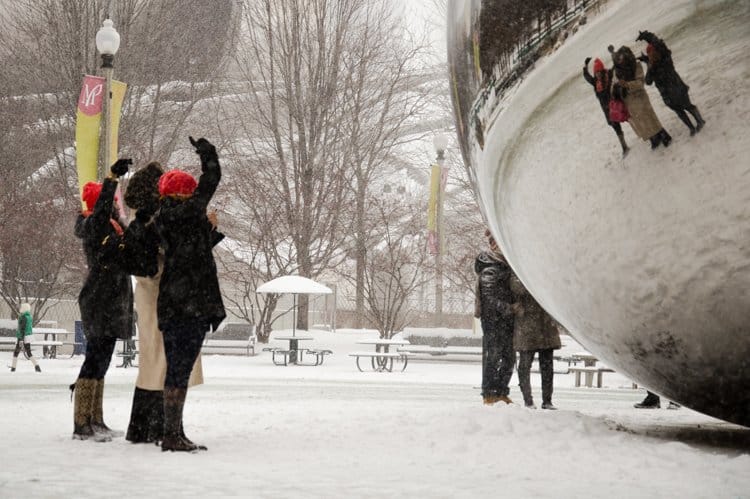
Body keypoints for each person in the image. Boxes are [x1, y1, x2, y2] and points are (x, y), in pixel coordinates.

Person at [123, 162, 208, 445]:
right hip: (163, 294)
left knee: (154, 359)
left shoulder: (142, 222)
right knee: (164, 359)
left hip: (152, 293)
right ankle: (161, 427)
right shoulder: (156, 222)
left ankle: (144, 426)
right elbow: (180, 254)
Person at [154, 137, 226, 452]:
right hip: (195, 302)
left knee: (176, 367)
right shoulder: (194, 210)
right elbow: (212, 178)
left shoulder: (160, 218)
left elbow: (183, 254)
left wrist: (207, 232)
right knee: (181, 369)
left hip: (171, 301)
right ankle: (172, 434)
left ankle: (174, 430)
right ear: (186, 192)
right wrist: (207, 152)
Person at [71, 158, 134, 442]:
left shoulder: (113, 224)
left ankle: (95, 418)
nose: (115, 204)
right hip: (99, 297)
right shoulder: (94, 224)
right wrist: (111, 180)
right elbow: (98, 214)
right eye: (109, 200)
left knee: (103, 359)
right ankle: (81, 422)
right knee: (94, 359)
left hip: (112, 296)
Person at [636, 30, 706, 135]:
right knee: (679, 111)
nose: (652, 55)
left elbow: (659, 45)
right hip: (667, 94)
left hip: (676, 87)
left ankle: (700, 121)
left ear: (657, 52)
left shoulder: (666, 59)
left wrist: (647, 37)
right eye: (649, 54)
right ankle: (691, 128)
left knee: (687, 105)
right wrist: (648, 64)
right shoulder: (653, 67)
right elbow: (648, 81)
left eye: (653, 52)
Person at [474, 229, 516, 405]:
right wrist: (509, 308)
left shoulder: (507, 265)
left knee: (509, 356)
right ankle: (490, 393)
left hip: (505, 320)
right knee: (494, 355)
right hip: (493, 321)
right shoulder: (490, 268)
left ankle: (501, 391)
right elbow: (489, 299)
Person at [510, 275, 562, 409]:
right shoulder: (520, 271)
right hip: (528, 327)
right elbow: (517, 289)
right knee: (525, 366)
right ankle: (528, 400)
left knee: (547, 367)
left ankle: (547, 400)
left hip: (545, 327)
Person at [608, 44, 672, 149]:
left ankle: (665, 137)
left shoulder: (636, 65)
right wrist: (614, 89)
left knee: (650, 119)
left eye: (622, 57)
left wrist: (627, 85)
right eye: (618, 58)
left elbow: (640, 83)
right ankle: (653, 139)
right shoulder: (616, 71)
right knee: (641, 123)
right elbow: (612, 85)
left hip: (639, 98)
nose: (620, 60)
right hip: (628, 102)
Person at [583, 56, 630, 156]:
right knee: (615, 126)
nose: (598, 74)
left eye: (599, 72)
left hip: (616, 104)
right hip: (607, 109)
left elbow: (616, 68)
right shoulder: (596, 82)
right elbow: (587, 77)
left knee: (628, 118)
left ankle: (644, 132)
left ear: (603, 71)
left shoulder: (609, 75)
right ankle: (624, 146)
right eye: (596, 73)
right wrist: (585, 66)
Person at [10, 303, 41, 373]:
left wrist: (21, 339)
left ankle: (13, 368)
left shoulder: (23, 317)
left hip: (22, 337)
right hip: (27, 336)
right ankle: (37, 366)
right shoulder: (29, 316)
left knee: (16, 352)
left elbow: (22, 329)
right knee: (29, 352)